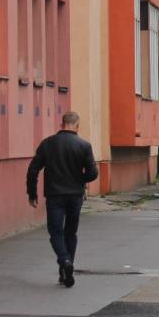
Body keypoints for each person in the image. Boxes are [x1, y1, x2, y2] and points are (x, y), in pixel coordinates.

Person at [27, 111, 98, 287]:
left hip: (54, 195)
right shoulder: (84, 145)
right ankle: (67, 268)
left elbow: (33, 170)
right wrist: (80, 180)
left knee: (55, 232)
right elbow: (93, 173)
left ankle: (64, 261)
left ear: (62, 124)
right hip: (75, 196)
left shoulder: (48, 144)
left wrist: (32, 194)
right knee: (71, 233)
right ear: (77, 126)